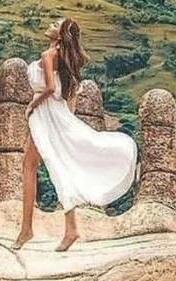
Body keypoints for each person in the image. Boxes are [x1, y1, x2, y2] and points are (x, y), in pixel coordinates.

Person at [12, 17, 138, 252]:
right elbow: (68, 94)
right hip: (56, 114)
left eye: (55, 23)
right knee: (48, 166)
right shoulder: (66, 57)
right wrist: (67, 119)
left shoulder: (48, 55)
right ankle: (63, 229)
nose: (50, 24)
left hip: (45, 113)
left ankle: (29, 230)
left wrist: (32, 106)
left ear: (59, 35)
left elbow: (49, 88)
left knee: (34, 167)